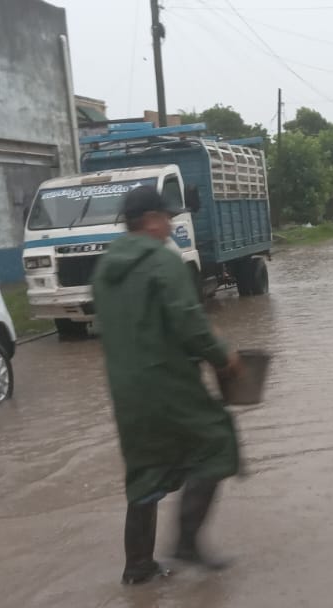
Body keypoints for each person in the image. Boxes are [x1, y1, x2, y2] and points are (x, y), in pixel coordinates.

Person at [92, 186, 243, 585]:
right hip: (169, 384)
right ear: (151, 220)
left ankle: (138, 566)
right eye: (167, 217)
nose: (171, 224)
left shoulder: (107, 268)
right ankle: (188, 542)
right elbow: (188, 322)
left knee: (144, 470)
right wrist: (222, 355)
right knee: (216, 442)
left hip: (126, 390)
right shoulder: (162, 262)